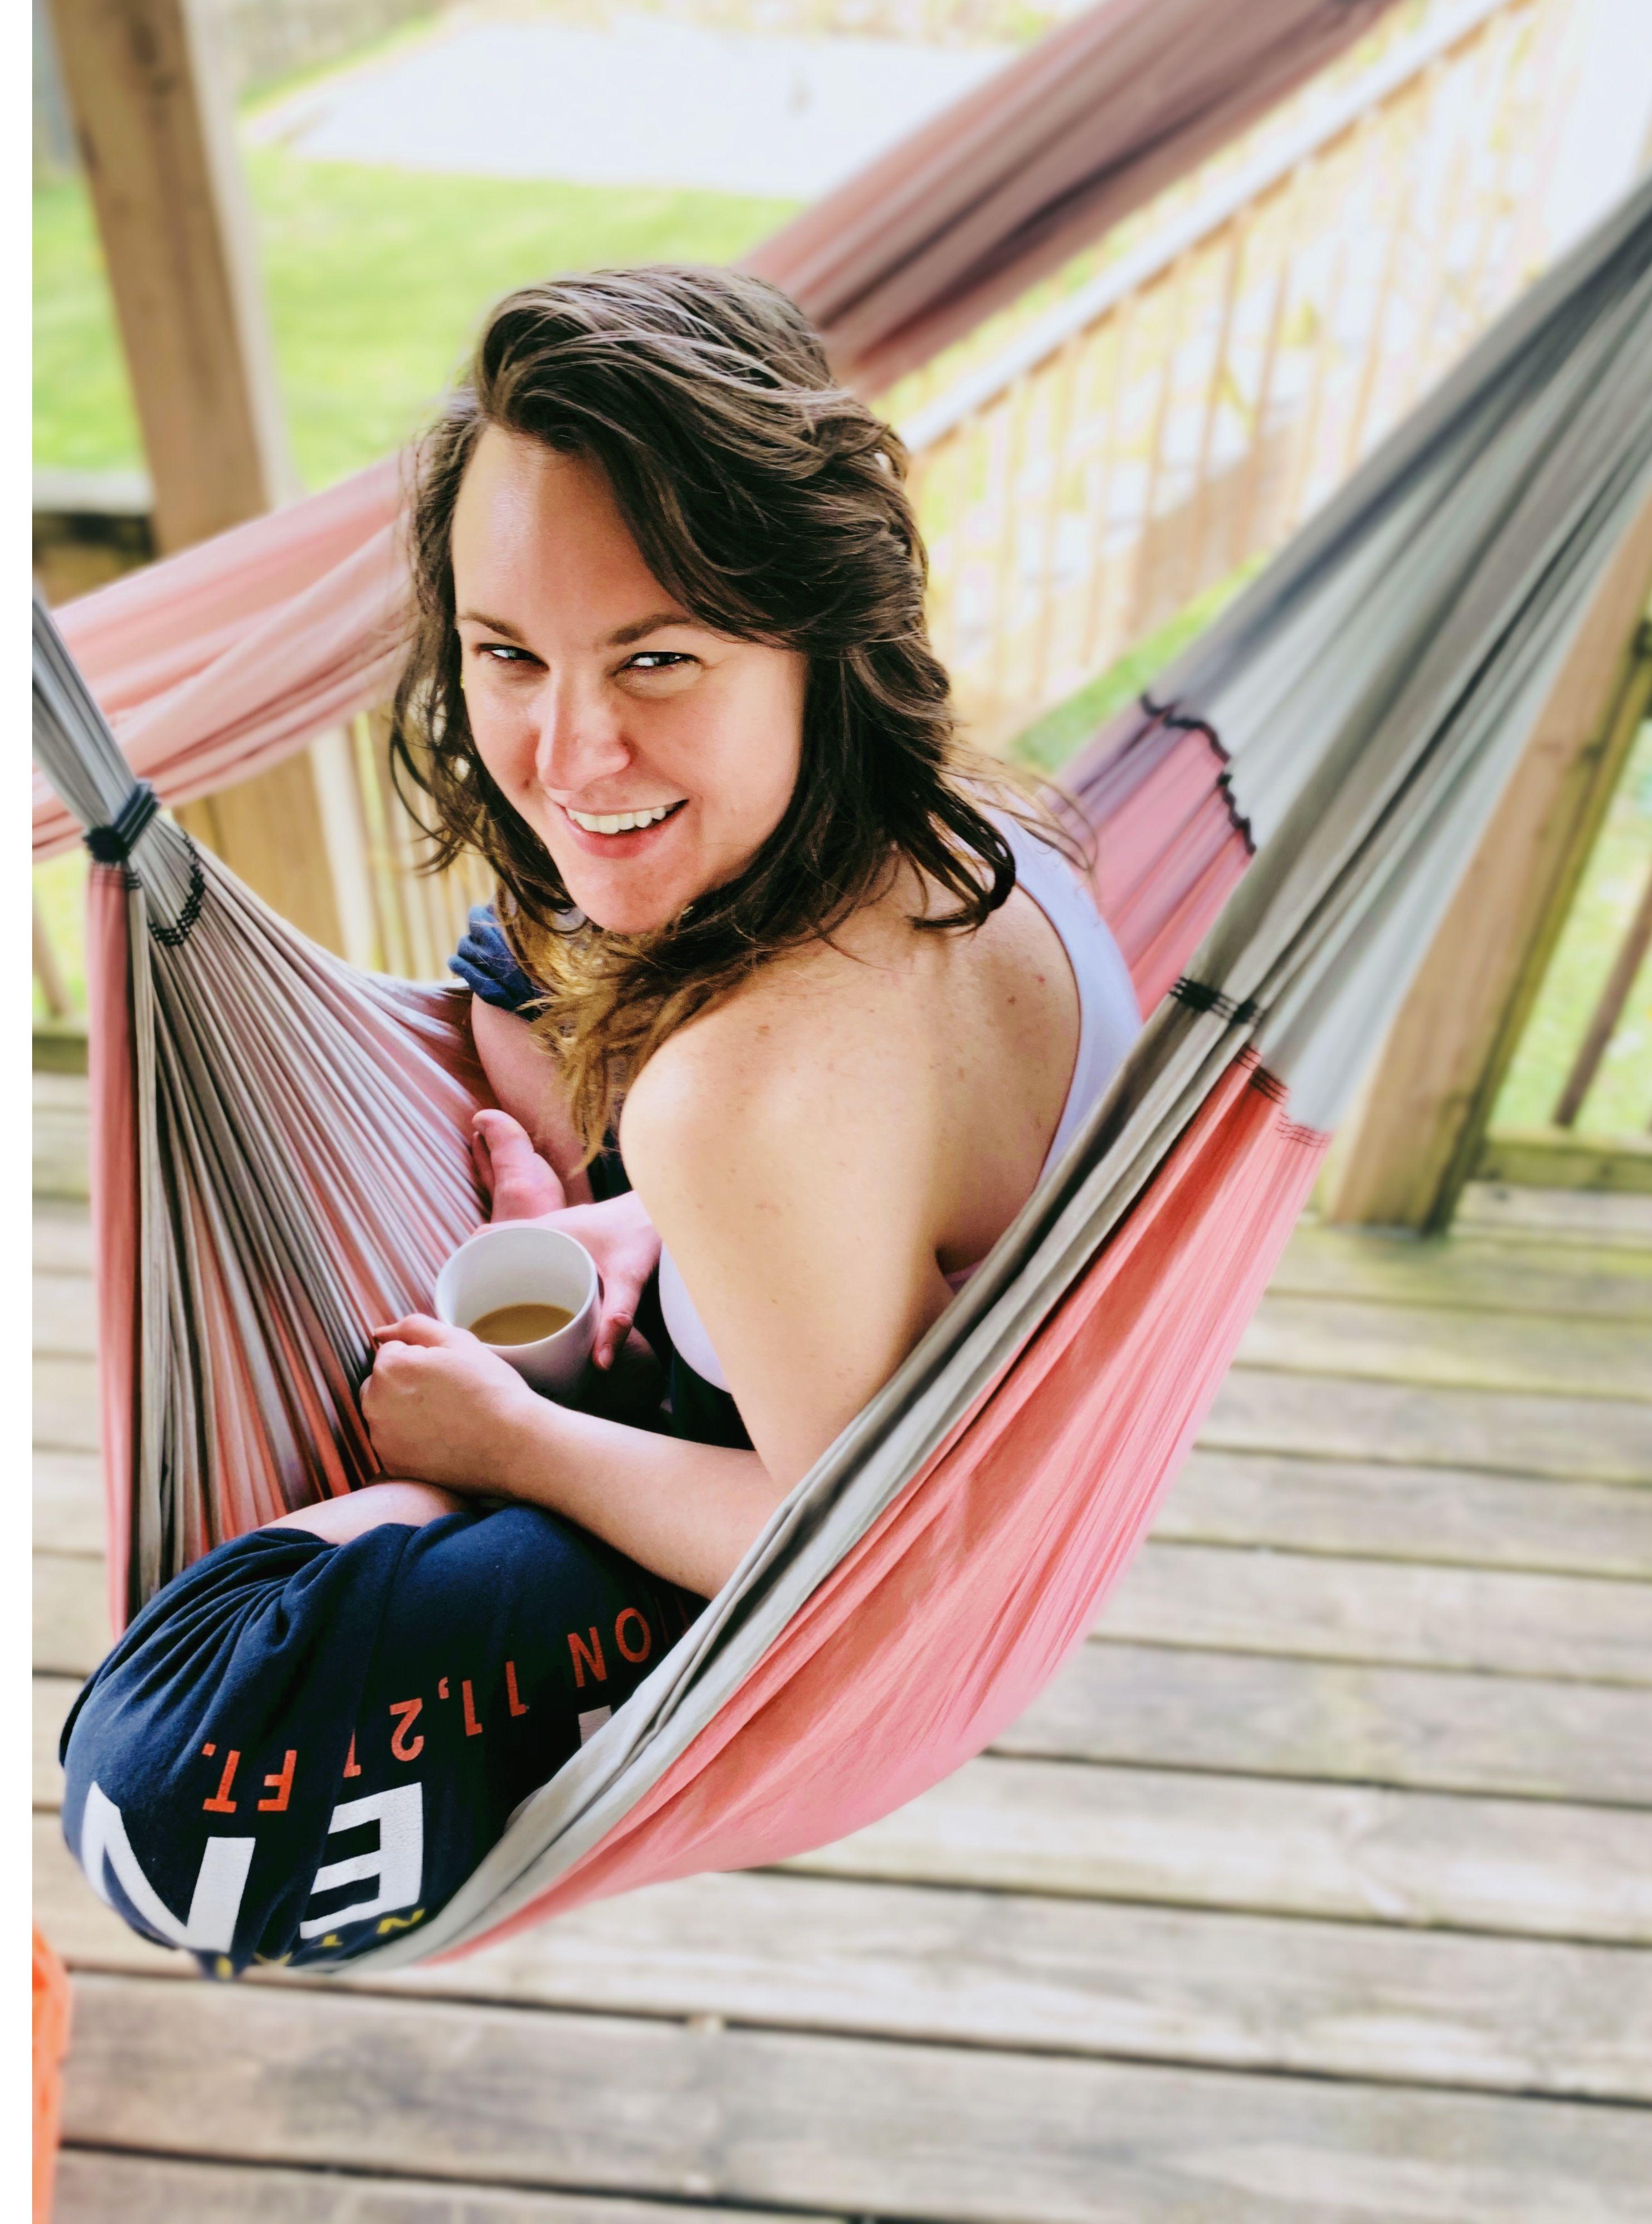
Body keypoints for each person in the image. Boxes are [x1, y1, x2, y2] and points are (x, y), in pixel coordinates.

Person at [58, 265, 1138, 1973]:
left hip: (815, 1543)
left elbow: (845, 1555)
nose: (568, 749)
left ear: (813, 630)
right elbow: (908, 1194)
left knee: (156, 1805)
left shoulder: (737, 1092)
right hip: (809, 1297)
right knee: (521, 941)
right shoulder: (1003, 840)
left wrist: (510, 1450)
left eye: (656, 657)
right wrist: (643, 1220)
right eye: (508, 655)